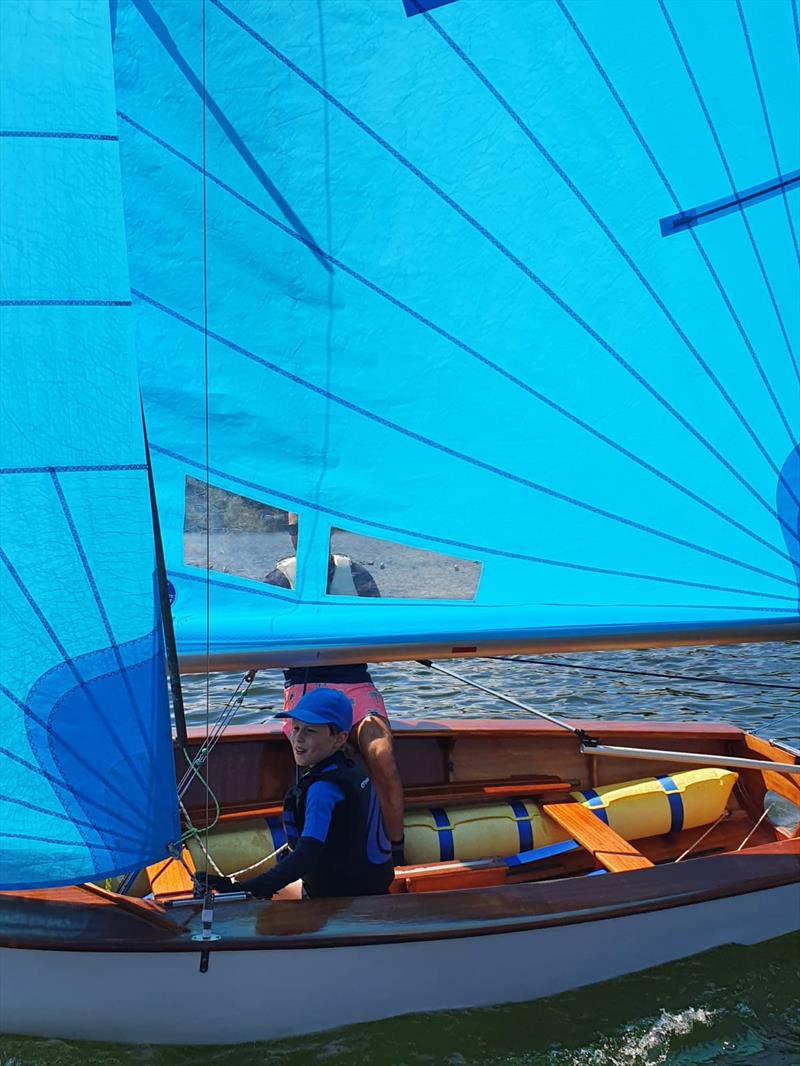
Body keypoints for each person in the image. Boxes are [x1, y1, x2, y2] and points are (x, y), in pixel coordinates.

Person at [264, 513, 406, 863]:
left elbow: (381, 633)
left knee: (382, 757)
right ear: (290, 535)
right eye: (296, 529)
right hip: (306, 688)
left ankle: (396, 852)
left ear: (329, 531)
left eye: (315, 526)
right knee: (314, 753)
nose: (305, 535)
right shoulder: (278, 581)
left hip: (354, 686)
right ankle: (311, 856)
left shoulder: (357, 576)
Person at [201, 689, 395, 899]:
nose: (298, 738)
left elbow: (306, 855)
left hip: (338, 902)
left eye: (310, 731)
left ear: (339, 739)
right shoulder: (351, 770)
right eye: (295, 728)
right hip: (370, 887)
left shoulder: (323, 789)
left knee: (254, 910)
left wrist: (248, 888)